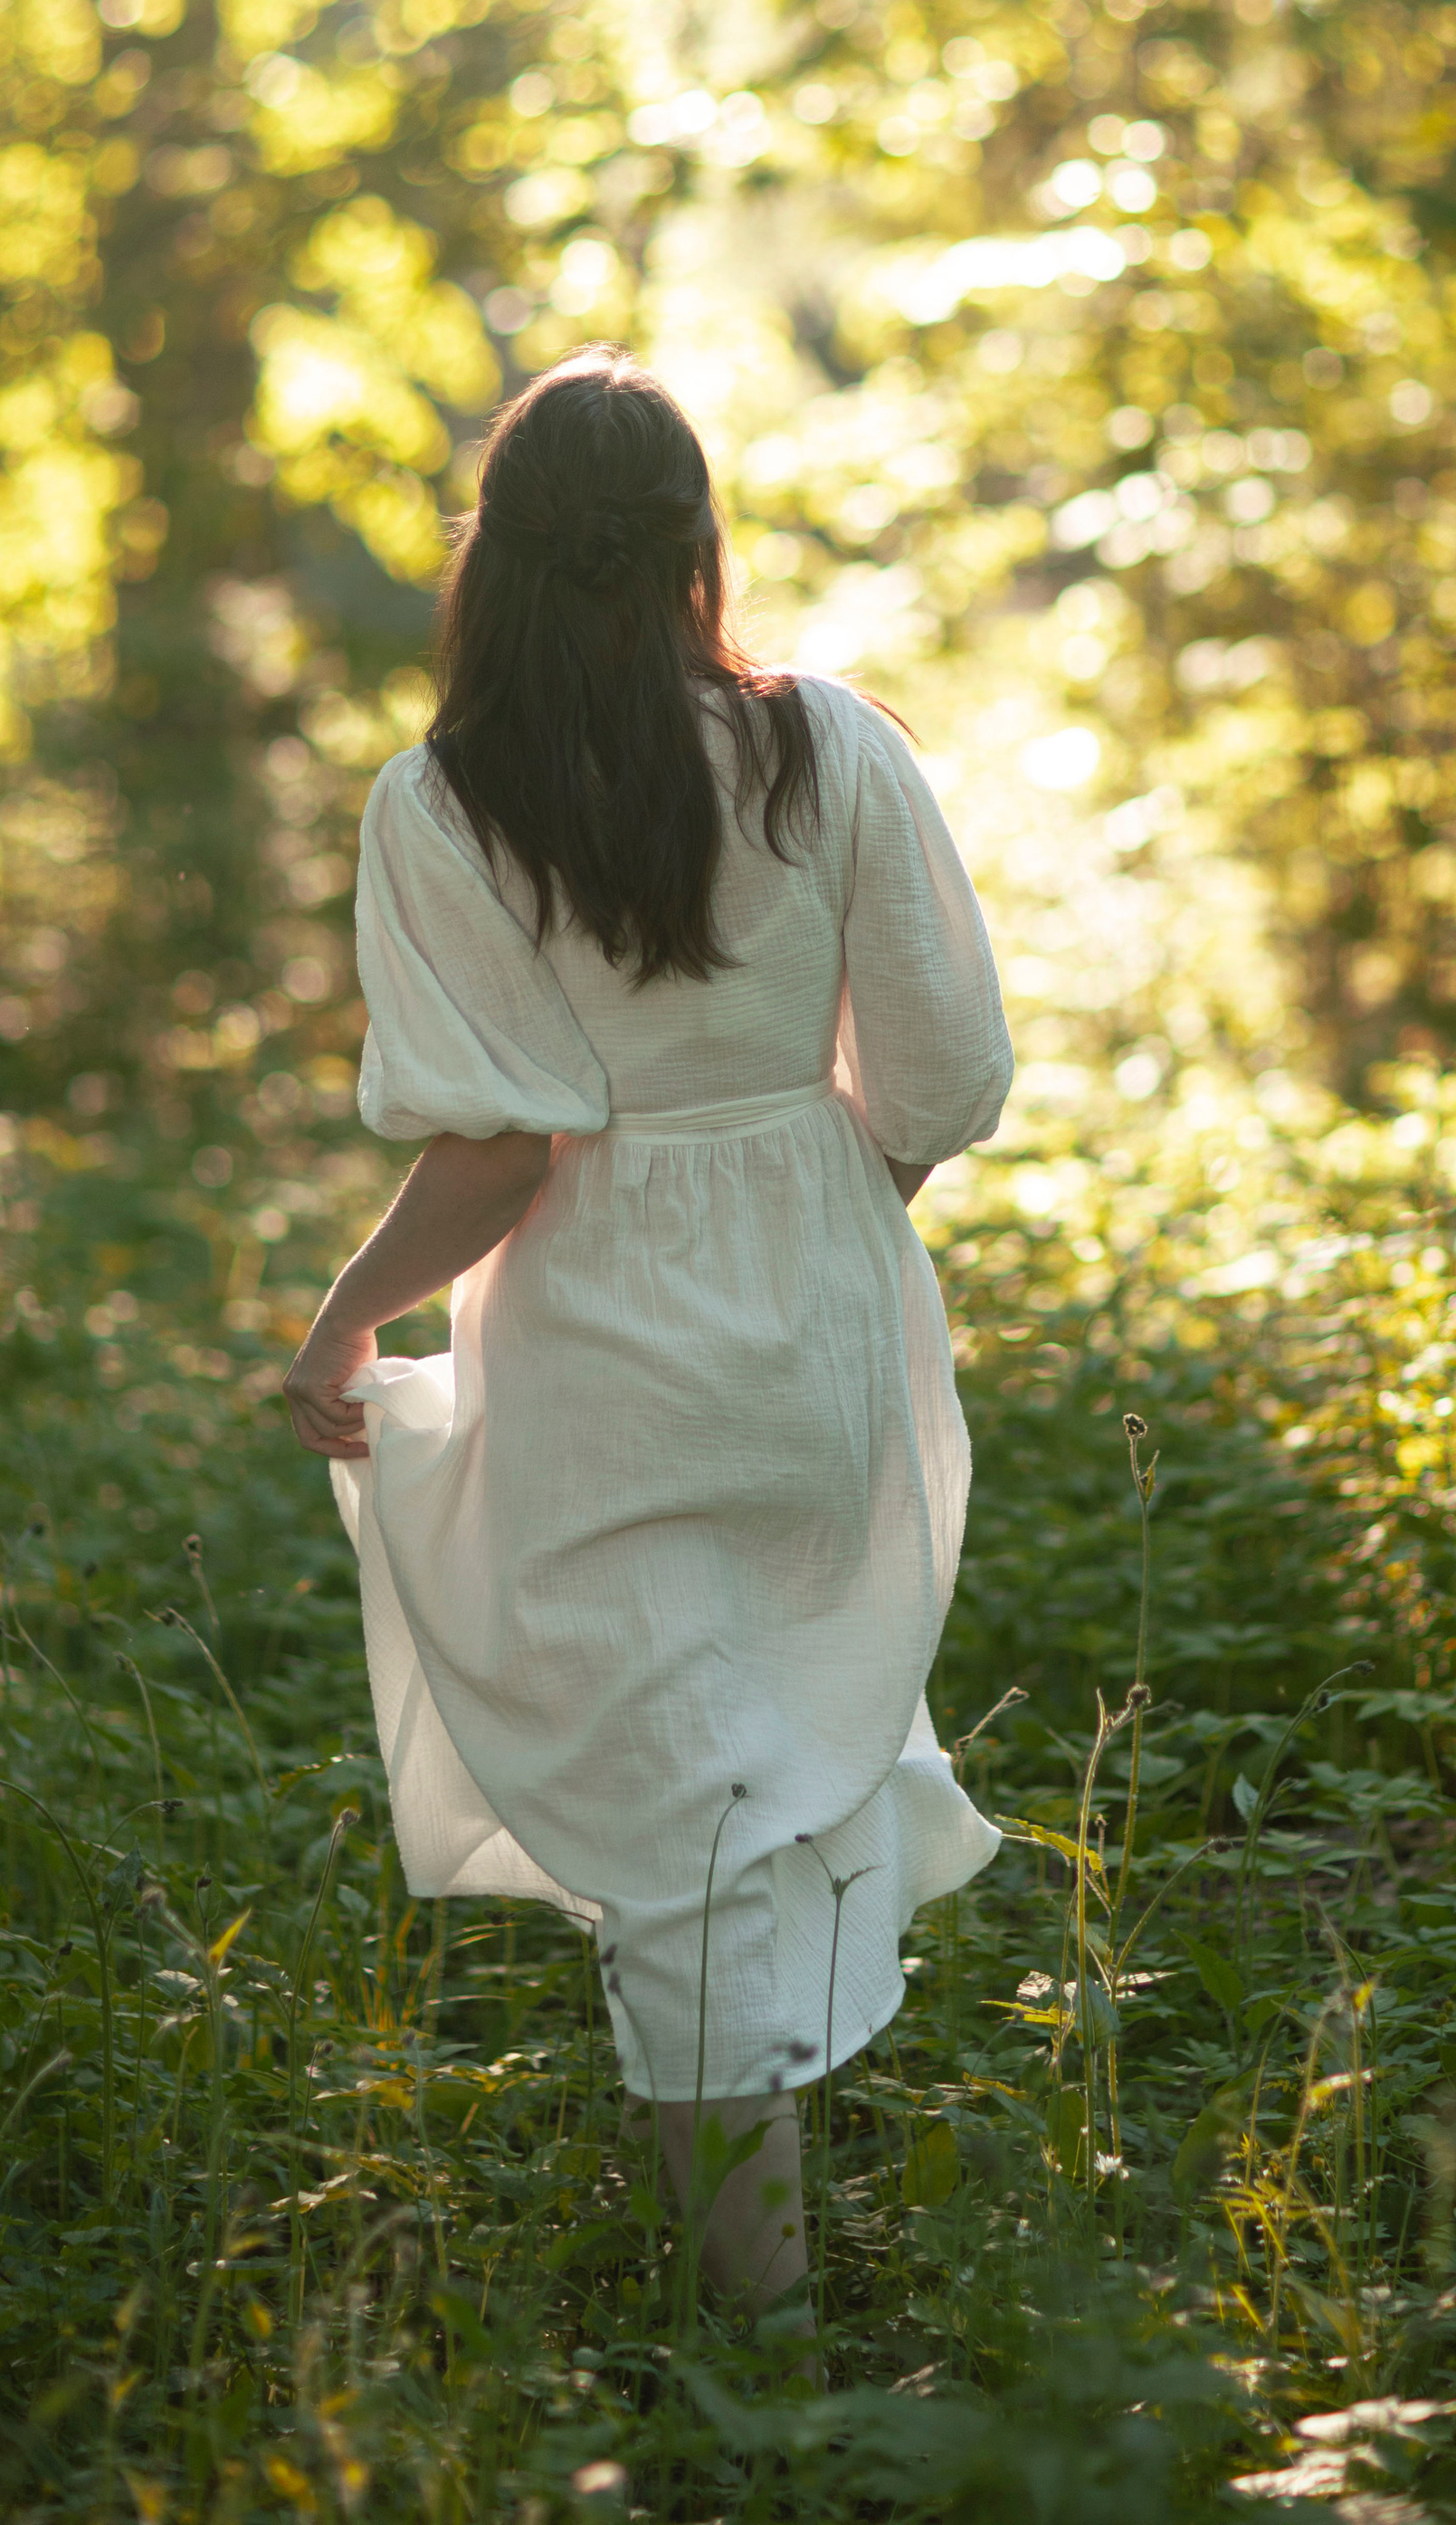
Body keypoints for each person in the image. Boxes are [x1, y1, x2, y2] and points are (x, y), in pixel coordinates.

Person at [281, 348, 1013, 2334]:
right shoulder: (826, 746)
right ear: (698, 543)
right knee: (757, 1755)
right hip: (824, 1299)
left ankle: (752, 2333)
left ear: (497, 556)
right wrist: (816, 1209)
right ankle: (766, 2265)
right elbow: (940, 1077)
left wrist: (346, 1315)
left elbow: (505, 1146)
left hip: (600, 1331)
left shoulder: (445, 800)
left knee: (684, 1812)